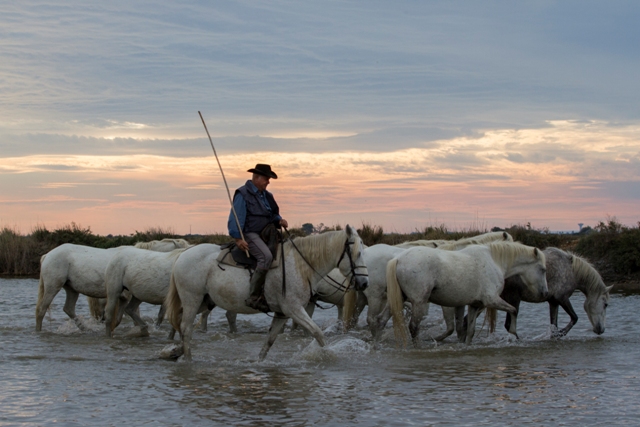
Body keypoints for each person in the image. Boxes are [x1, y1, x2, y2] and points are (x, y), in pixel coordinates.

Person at [228, 164, 288, 312]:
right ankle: (254, 296)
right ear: (256, 177)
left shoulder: (267, 195)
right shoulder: (243, 194)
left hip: (267, 232)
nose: (268, 182)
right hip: (250, 233)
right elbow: (236, 217)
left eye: (269, 179)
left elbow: (272, 213)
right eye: (266, 179)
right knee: (266, 257)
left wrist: (279, 220)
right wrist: (238, 238)